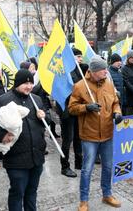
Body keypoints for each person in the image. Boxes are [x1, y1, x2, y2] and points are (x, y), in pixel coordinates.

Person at [0, 69, 49, 210]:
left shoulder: (36, 99)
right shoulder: (3, 100)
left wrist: (44, 117)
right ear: (17, 83)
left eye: (31, 83)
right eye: (25, 83)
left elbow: (46, 121)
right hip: (16, 158)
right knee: (17, 193)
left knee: (32, 192)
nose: (29, 86)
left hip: (37, 157)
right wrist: (1, 134)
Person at [69, 55, 122, 211]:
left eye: (106, 68)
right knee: (87, 169)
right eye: (102, 69)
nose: (106, 71)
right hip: (89, 135)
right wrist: (86, 108)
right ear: (93, 71)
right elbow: (71, 108)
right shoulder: (80, 86)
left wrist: (117, 113)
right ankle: (83, 200)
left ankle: (107, 194)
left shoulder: (109, 84)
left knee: (107, 166)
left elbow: (115, 103)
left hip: (107, 133)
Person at [57, 47, 87, 177]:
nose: (81, 59)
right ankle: (65, 166)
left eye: (81, 57)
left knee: (78, 137)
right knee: (67, 139)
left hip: (77, 110)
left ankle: (79, 162)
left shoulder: (80, 70)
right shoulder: (64, 72)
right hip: (66, 111)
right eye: (78, 56)